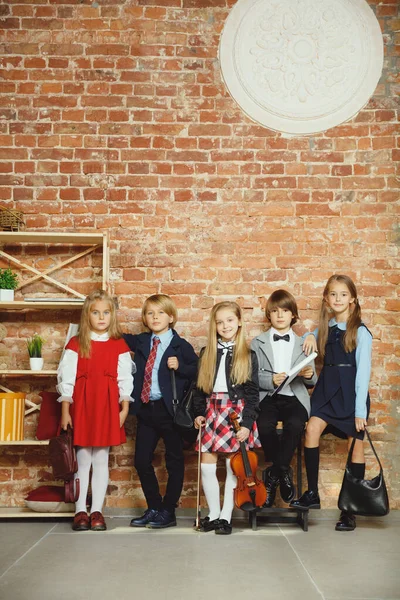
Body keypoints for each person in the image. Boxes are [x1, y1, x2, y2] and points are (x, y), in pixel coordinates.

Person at [290, 275, 372, 532]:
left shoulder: (360, 331)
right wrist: (311, 334)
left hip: (351, 393)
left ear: (353, 299)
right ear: (326, 299)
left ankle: (349, 511)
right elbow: (317, 336)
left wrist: (360, 411)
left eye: (343, 294)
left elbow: (363, 373)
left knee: (355, 448)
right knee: (311, 429)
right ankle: (312, 493)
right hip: (326, 390)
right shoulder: (324, 329)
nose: (338, 299)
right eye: (333, 294)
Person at [58, 289, 134, 532]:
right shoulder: (76, 343)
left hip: (107, 405)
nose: (101, 317)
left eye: (106, 313)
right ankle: (81, 510)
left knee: (101, 458)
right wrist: (65, 410)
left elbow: (125, 379)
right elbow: (66, 378)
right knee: (82, 458)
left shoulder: (119, 345)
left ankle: (97, 510)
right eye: (96, 313)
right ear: (87, 315)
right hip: (83, 403)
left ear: (112, 316)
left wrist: (124, 408)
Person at [124, 294, 198, 529]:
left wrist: (181, 367)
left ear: (171, 317)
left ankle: (169, 510)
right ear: (145, 318)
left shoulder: (181, 346)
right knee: (141, 460)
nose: (155, 317)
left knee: (174, 462)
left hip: (171, 413)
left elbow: (198, 373)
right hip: (147, 410)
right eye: (150, 313)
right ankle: (154, 507)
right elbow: (117, 337)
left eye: (160, 313)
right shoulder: (142, 342)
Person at [193, 301, 260, 535]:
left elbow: (253, 395)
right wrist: (199, 414)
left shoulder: (248, 355)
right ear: (214, 325)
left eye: (230, 320)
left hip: (235, 414)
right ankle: (212, 513)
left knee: (235, 467)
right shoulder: (206, 353)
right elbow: (199, 390)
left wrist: (247, 424)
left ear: (239, 322)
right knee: (207, 465)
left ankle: (226, 516)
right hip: (212, 411)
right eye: (220, 322)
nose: (225, 326)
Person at [251, 289, 317, 507]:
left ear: (293, 315)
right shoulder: (257, 342)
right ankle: (283, 470)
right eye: (275, 311)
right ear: (268, 315)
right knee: (264, 425)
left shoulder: (304, 343)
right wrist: (271, 381)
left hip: (294, 397)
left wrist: (308, 374)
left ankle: (273, 474)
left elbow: (311, 379)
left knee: (296, 425)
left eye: (285, 311)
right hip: (268, 397)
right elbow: (252, 377)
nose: (280, 315)